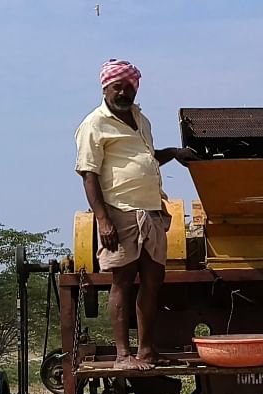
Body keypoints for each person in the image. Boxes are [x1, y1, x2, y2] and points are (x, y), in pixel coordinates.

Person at [74, 58, 198, 370]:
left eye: (129, 87)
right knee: (123, 282)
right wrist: (103, 219)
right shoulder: (94, 124)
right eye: (118, 87)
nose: (124, 92)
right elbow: (89, 175)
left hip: (152, 210)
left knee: (153, 281)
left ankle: (146, 352)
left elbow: (147, 158)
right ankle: (122, 355)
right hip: (120, 212)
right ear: (106, 88)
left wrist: (174, 153)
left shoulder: (140, 119)